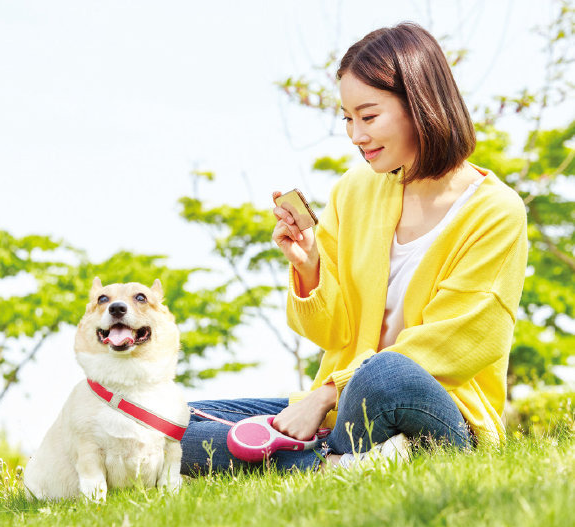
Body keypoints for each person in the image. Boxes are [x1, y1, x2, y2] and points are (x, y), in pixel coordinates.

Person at [180, 22, 528, 475]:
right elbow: (334, 333)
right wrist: (308, 269)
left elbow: (454, 345)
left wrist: (326, 393)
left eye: (368, 116)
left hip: (436, 413)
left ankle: (301, 459)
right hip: (341, 411)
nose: (355, 135)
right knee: (173, 423)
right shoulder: (354, 191)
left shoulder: (497, 212)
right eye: (347, 118)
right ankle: (340, 465)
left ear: (420, 104)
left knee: (386, 375)